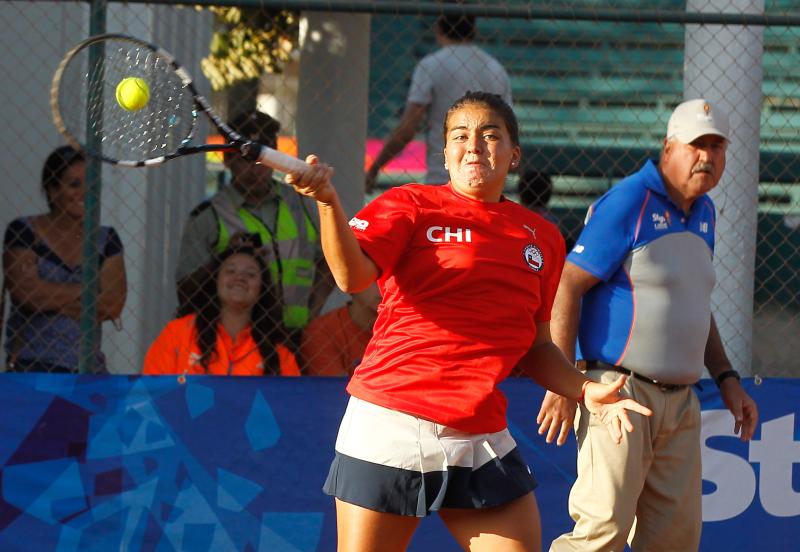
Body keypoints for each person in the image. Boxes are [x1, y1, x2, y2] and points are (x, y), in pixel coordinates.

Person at [285, 91, 651, 552]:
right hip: (391, 422)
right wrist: (327, 202)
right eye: (460, 135)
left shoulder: (544, 239)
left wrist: (583, 389)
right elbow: (351, 275)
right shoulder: (410, 204)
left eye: (489, 135)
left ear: (513, 155)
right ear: (445, 154)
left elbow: (536, 346)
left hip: (480, 434)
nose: (474, 145)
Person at [539, 99, 759, 552]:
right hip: (619, 393)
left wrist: (727, 378)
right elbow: (566, 285)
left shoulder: (705, 213)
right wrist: (564, 382)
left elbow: (694, 305)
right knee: (601, 533)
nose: (708, 157)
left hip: (682, 401)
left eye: (717, 147)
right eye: (698, 145)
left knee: (674, 542)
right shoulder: (629, 201)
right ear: (668, 149)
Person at [175, 111, 333, 349]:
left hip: (300, 338)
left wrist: (313, 312)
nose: (255, 170)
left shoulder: (300, 203)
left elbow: (330, 260)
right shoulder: (209, 216)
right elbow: (186, 291)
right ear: (226, 160)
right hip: (239, 340)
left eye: (262, 160)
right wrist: (224, 259)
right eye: (244, 160)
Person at [2, 145, 127, 373]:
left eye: (90, 182)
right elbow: (27, 294)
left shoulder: (105, 239)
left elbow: (112, 305)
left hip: (87, 372)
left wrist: (48, 295)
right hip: (31, 369)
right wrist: (89, 291)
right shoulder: (24, 231)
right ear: (52, 190)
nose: (85, 191)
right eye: (74, 184)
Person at [365, 13, 511, 192]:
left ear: (439, 29)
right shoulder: (495, 68)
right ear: (474, 30)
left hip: (444, 177)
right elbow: (509, 130)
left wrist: (375, 168)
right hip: (488, 179)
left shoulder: (431, 65)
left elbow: (408, 128)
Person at [145, 245, 300, 376]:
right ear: (215, 281)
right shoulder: (178, 333)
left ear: (262, 289)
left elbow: (290, 408)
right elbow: (151, 394)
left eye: (250, 274)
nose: (239, 278)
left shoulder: (278, 353)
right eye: (230, 271)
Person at [299, 283, 380, 376]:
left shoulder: (399, 329)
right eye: (376, 278)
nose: (384, 286)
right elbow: (332, 388)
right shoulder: (323, 330)